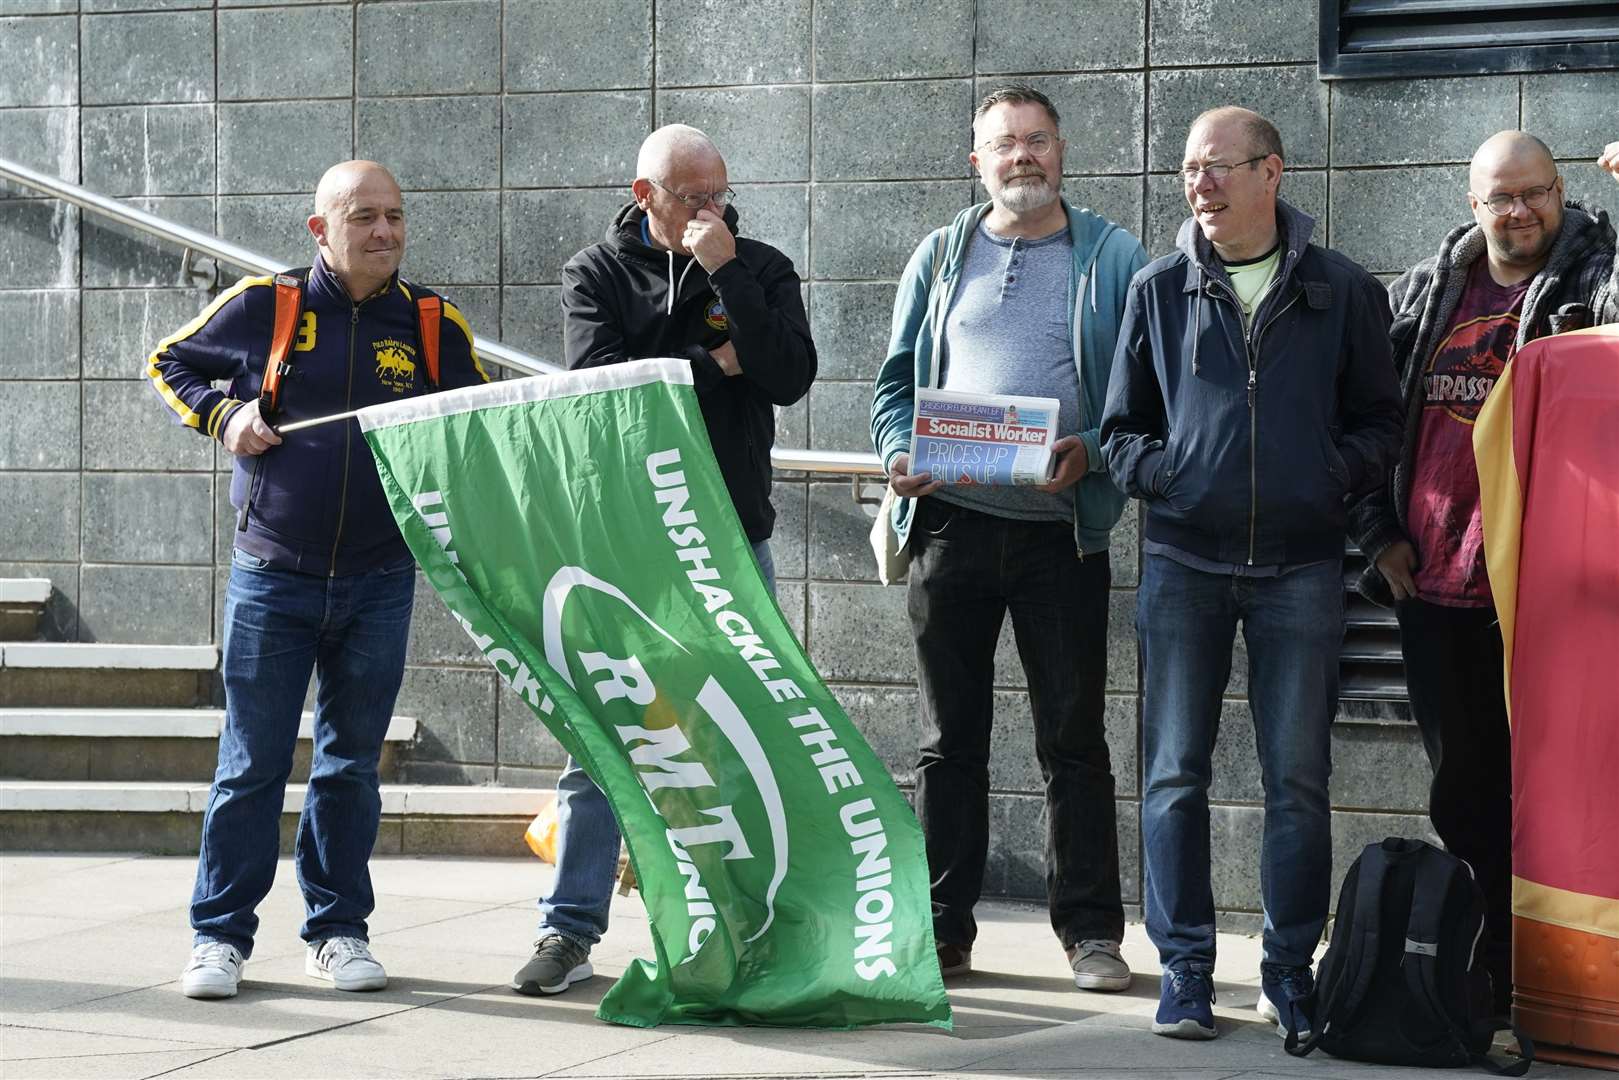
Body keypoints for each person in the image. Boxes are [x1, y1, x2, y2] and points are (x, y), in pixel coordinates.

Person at [145, 161, 491, 999]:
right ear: (320, 230)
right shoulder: (268, 305)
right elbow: (168, 363)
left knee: (349, 769)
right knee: (252, 764)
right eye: (364, 217)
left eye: (396, 217)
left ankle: (338, 932)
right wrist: (227, 417)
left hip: (380, 580)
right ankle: (218, 938)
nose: (385, 233)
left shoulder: (435, 323)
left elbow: (481, 423)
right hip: (274, 576)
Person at [1100, 106, 1402, 1041]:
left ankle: (1287, 970)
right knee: (1173, 775)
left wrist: (1324, 476)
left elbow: (1380, 426)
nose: (1200, 186)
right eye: (1189, 170)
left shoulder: (1342, 290)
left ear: (1272, 172)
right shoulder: (1158, 288)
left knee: (1296, 780)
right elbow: (1119, 432)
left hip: (1300, 568)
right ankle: (1185, 970)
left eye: (1219, 168)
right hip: (1183, 562)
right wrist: (1171, 477)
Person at [511, 124, 816, 996]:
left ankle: (738, 926)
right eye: (691, 197)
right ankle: (568, 931)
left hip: (730, 532)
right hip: (627, 541)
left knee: (738, 729)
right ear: (644, 195)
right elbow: (602, 390)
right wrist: (718, 361)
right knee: (599, 736)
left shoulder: (757, 265)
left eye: (720, 192)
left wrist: (723, 273)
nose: (710, 210)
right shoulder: (596, 272)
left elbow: (790, 373)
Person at [869, 85, 1148, 992]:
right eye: (1003, 144)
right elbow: (893, 389)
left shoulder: (1112, 256)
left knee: (1072, 738)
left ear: (1061, 151)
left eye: (1036, 141)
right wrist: (896, 455)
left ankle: (1092, 935)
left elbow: (1145, 406)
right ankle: (944, 929)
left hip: (1060, 538)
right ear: (976, 160)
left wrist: (1095, 452)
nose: (1021, 156)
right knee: (947, 740)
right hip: (950, 525)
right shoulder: (940, 254)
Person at [1347, 131, 1619, 1014]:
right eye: (1501, 196)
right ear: (1472, 203)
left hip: (1547, 593)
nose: (1519, 210)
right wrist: (1376, 535)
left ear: (1559, 189)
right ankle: (1486, 971)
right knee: (1462, 791)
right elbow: (1365, 420)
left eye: (1535, 192)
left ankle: (1550, 979)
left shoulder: (1593, 273)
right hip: (1435, 585)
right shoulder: (1427, 290)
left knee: (1560, 792)